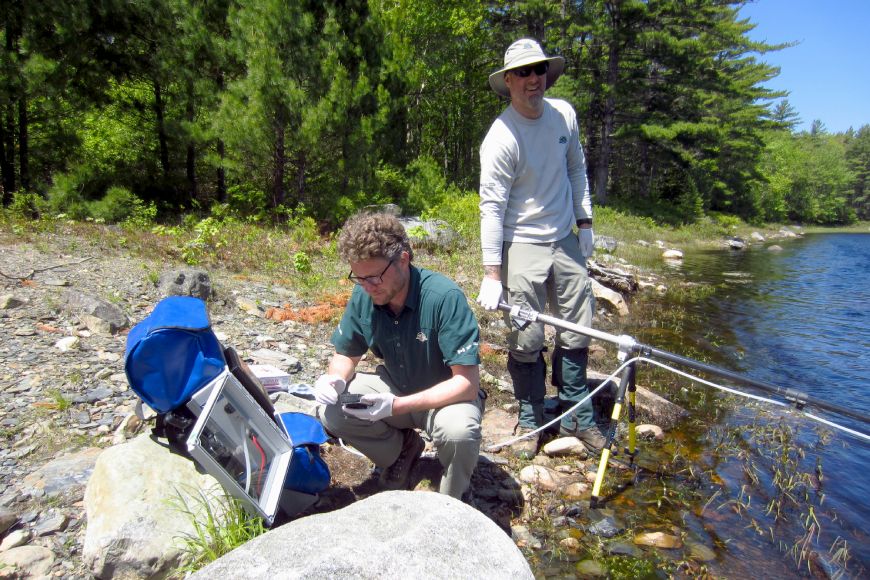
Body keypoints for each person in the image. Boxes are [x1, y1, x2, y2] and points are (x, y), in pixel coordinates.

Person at [476, 38, 604, 458]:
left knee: (577, 328)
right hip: (522, 241)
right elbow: (491, 207)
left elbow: (576, 169)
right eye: (525, 72)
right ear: (509, 81)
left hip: (565, 238)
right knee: (526, 334)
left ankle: (577, 414)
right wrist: (492, 273)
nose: (534, 79)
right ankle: (531, 417)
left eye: (540, 70)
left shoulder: (564, 115)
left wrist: (584, 222)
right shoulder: (502, 137)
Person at [314, 211, 485, 499]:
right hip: (395, 387)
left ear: (403, 259)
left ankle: (452, 501)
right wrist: (335, 380)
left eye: (375, 277)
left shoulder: (443, 297)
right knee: (333, 411)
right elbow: (346, 353)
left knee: (459, 433)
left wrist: (395, 406)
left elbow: (468, 384)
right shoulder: (366, 295)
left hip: (445, 399)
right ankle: (401, 453)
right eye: (359, 278)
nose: (367, 287)